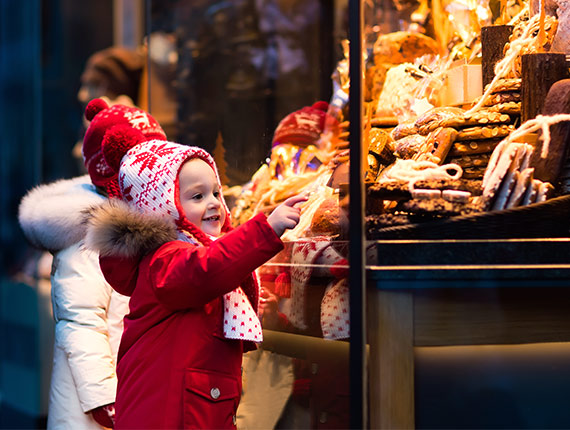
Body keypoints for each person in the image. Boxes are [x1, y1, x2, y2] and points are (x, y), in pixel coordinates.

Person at [82, 97, 307, 429]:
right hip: (170, 412)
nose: (215, 203)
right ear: (164, 206)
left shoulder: (187, 254)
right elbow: (209, 269)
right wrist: (264, 228)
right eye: (197, 196)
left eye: (216, 193)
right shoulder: (165, 259)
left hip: (196, 406)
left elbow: (212, 290)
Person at [18, 100, 167, 429]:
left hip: (133, 388)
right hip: (96, 404)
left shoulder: (141, 223)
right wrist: (104, 398)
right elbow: (80, 322)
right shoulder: (89, 235)